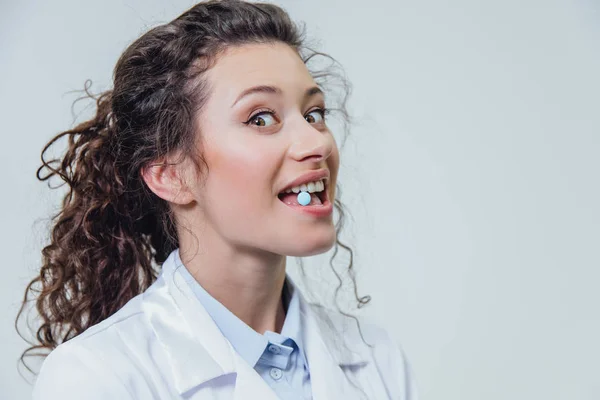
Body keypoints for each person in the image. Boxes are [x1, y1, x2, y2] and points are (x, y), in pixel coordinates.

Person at [17, 0, 418, 398]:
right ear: (170, 175)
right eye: (261, 118)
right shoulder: (96, 378)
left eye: (313, 114)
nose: (316, 142)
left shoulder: (377, 360)